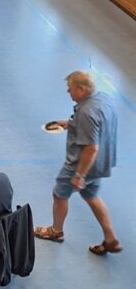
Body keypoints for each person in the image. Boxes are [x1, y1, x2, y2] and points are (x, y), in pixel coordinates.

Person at [34, 71, 121, 255]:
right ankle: (110, 238)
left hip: (80, 165)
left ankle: (55, 231)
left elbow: (91, 148)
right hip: (100, 163)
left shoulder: (86, 113)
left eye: (70, 89)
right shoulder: (103, 98)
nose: (68, 92)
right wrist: (70, 123)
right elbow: (98, 126)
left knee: (60, 195)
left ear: (81, 89)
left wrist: (79, 175)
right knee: (91, 196)